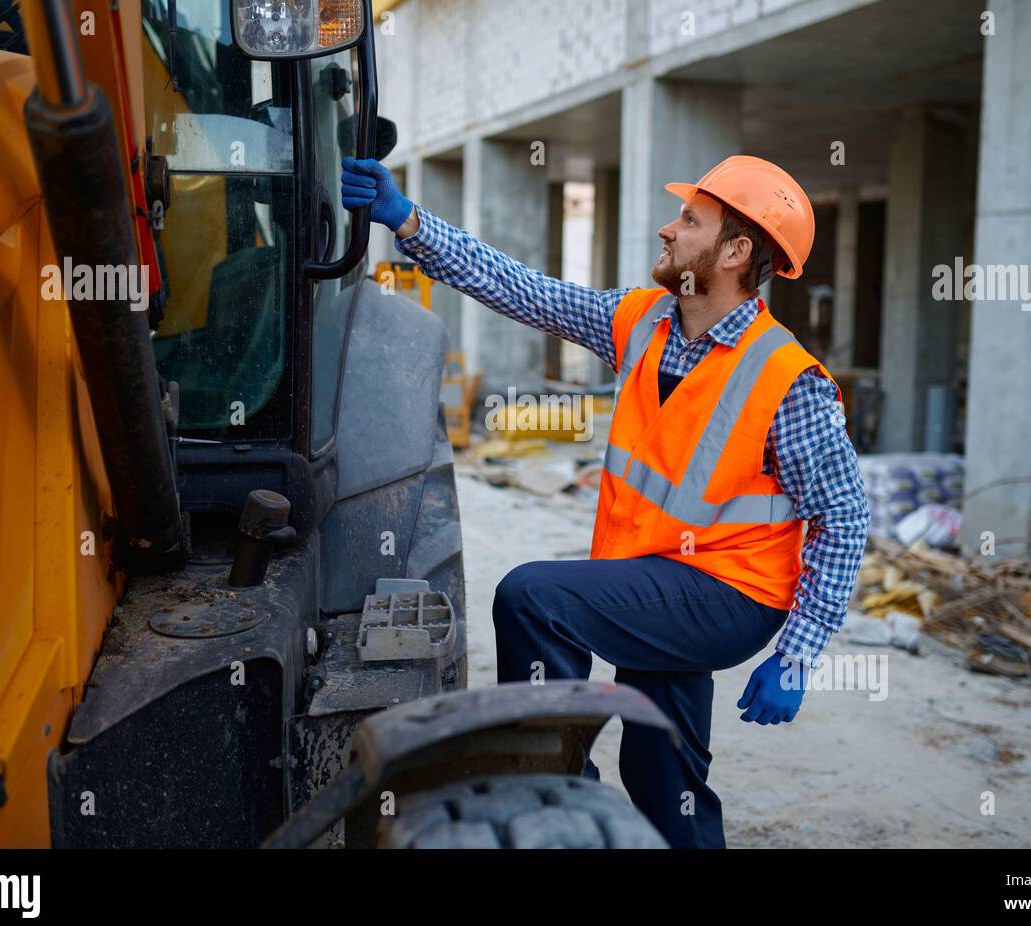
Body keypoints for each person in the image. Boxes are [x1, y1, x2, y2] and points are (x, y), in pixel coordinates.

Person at [341, 154, 870, 849]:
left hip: (731, 594)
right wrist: (409, 221)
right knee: (663, 771)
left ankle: (554, 804)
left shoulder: (786, 378)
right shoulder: (647, 320)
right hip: (657, 574)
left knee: (535, 598)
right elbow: (524, 291)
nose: (666, 230)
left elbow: (844, 516)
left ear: (737, 251)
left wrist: (798, 654)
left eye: (690, 221)